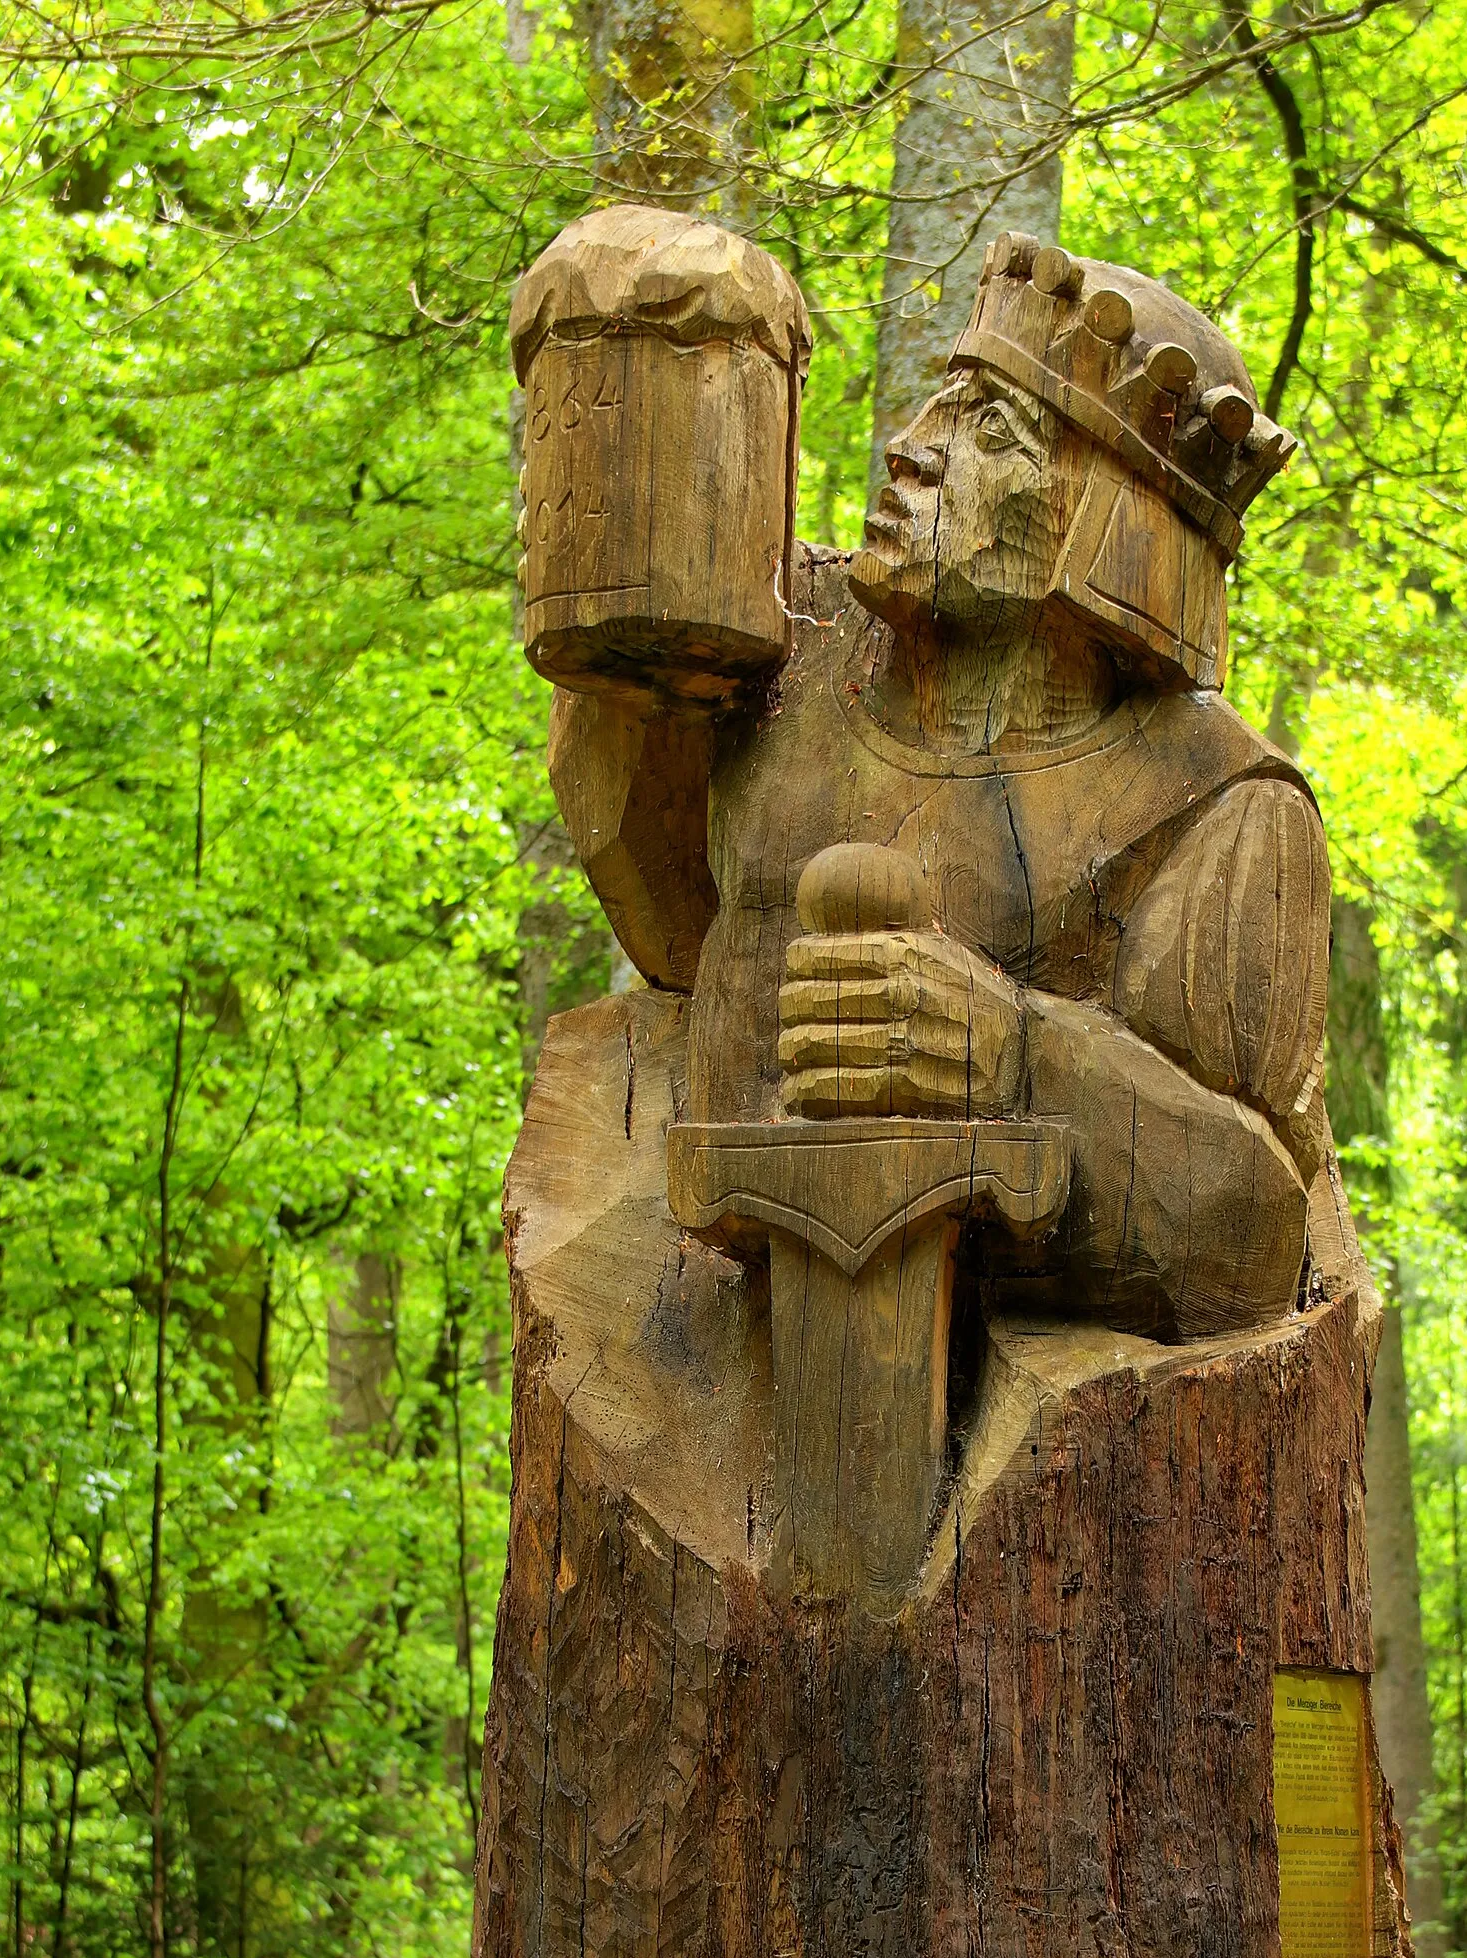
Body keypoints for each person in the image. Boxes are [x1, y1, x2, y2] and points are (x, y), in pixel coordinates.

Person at [548, 231, 1335, 1342]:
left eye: (987, 430)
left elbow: (1252, 1233)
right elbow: (651, 885)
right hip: (709, 1332)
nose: (907, 449)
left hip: (1039, 1415)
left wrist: (1015, 1053)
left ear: (1107, 530)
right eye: (934, 407)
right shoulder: (782, 652)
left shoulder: (1221, 807)